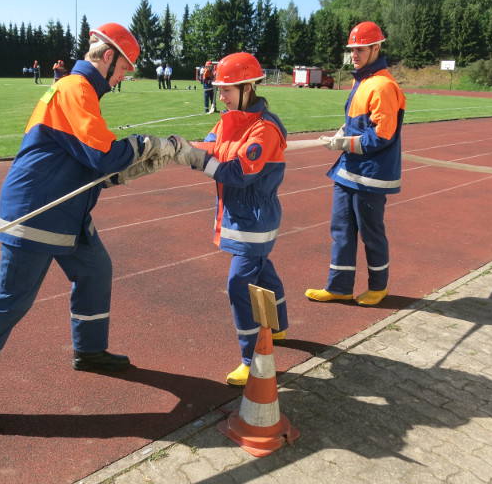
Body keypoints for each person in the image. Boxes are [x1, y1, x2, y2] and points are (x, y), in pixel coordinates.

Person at [0, 23, 177, 435]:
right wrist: (146, 146)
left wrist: (129, 170)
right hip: (37, 211)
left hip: (67, 212)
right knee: (9, 301)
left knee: (95, 269)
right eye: (124, 68)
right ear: (108, 57)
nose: (124, 77)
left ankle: (90, 351)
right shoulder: (76, 89)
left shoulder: (79, 91)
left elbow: (86, 160)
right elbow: (102, 154)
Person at [170, 52, 289, 386]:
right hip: (241, 216)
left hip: (255, 220)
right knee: (263, 271)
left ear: (247, 88)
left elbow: (238, 173)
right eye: (219, 89)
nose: (220, 95)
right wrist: (177, 148)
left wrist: (193, 158)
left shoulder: (264, 129)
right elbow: (208, 148)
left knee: (239, 283)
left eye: (226, 90)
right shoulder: (228, 121)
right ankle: (278, 325)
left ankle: (252, 360)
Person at [305, 22, 406, 307]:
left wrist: (343, 143)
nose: (354, 55)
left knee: (371, 234)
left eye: (360, 49)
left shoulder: (383, 85)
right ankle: (339, 287)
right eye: (352, 50)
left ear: (376, 48)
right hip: (349, 170)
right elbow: (356, 123)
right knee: (341, 230)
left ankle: (379, 287)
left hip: (371, 175)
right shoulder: (361, 81)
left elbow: (381, 136)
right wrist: (340, 133)